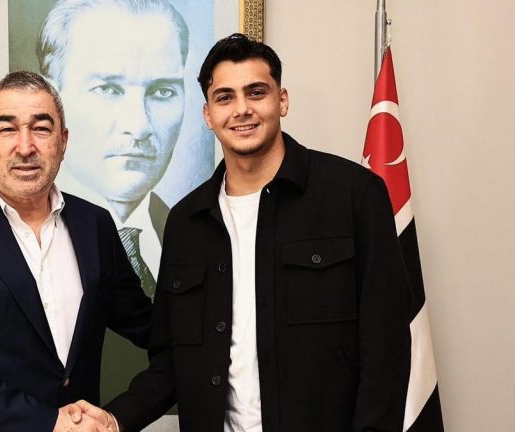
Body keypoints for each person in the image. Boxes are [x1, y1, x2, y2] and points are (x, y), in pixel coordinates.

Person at [67, 34, 412, 432]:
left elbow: (386, 347)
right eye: (225, 97)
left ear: (282, 101)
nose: (242, 109)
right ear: (208, 114)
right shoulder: (185, 222)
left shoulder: (353, 195)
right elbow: (172, 362)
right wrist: (115, 419)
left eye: (256, 92)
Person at [0, 70, 152, 431]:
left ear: (63, 141)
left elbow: (147, 325)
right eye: (7, 129)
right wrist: (47, 422)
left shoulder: (94, 224)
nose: (25, 146)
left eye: (41, 128)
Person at [37, 0, 191, 298]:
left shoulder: (193, 234)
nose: (140, 126)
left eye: (162, 91)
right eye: (107, 89)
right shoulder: (10, 240)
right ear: (51, 100)